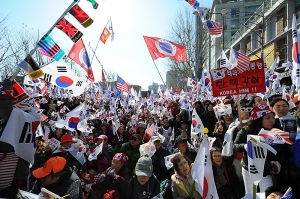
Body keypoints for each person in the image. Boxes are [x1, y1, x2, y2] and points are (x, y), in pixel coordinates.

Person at [234, 104, 287, 194]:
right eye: (267, 118)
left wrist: (278, 162)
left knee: (268, 194)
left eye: (273, 117)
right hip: (249, 168)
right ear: (258, 119)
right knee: (250, 193)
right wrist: (245, 146)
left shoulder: (277, 132)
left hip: (267, 170)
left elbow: (283, 151)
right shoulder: (246, 131)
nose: (272, 120)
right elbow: (235, 146)